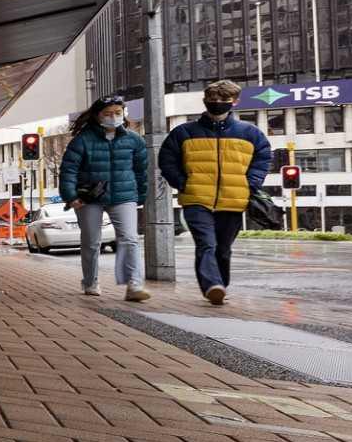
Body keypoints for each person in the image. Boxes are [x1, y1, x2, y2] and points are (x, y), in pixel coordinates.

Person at [159, 79, 271, 305]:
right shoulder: (184, 132)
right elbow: (167, 160)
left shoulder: (250, 133)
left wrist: (250, 183)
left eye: (223, 100)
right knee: (206, 244)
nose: (217, 103)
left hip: (233, 200)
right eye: (212, 99)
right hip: (196, 199)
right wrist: (183, 183)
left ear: (235, 102)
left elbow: (263, 158)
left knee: (223, 249)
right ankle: (212, 285)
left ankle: (220, 286)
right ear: (205, 101)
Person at [58, 95, 152, 302]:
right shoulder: (82, 140)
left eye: (118, 113)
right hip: (89, 197)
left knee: (129, 238)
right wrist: (71, 196)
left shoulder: (134, 140)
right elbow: (68, 170)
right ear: (98, 115)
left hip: (124, 195)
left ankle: (134, 285)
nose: (113, 117)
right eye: (108, 113)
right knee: (91, 241)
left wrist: (140, 196)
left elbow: (141, 172)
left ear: (124, 114)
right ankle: (90, 281)